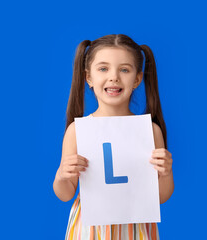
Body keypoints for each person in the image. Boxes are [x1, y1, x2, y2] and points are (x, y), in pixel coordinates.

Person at [53, 34, 174, 240]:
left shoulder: (150, 131)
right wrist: (62, 175)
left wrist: (165, 173)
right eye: (103, 68)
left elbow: (161, 197)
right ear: (88, 77)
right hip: (90, 229)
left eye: (124, 70)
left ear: (137, 79)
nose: (114, 77)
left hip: (135, 228)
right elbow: (65, 194)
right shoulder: (77, 131)